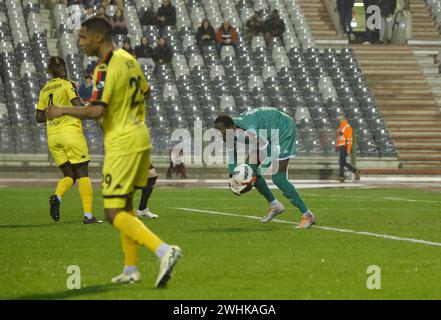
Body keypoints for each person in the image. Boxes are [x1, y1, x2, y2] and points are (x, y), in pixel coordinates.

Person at [47, 16, 181, 287]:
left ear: (98, 37)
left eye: (83, 37)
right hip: (140, 136)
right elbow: (147, 90)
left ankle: (164, 250)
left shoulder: (105, 67)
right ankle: (131, 268)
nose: (80, 42)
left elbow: (98, 109)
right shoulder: (129, 59)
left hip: (122, 143)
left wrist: (63, 110)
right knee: (127, 206)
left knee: (112, 212)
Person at [214, 107, 316, 229]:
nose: (220, 135)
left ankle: (308, 215)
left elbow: (268, 152)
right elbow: (232, 155)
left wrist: (254, 175)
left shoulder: (249, 131)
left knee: (278, 178)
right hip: (267, 134)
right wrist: (232, 177)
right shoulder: (231, 132)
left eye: (222, 132)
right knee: (250, 171)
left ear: (231, 128)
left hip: (283, 129)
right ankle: (275, 205)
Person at [36, 56, 97, 224]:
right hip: (70, 133)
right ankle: (88, 216)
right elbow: (78, 107)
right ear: (64, 69)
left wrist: (54, 111)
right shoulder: (67, 84)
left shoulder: (44, 90)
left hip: (53, 137)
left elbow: (39, 117)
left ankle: (57, 196)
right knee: (83, 173)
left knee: (70, 175)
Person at [335, 114, 360, 182]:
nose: (339, 120)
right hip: (341, 146)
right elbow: (339, 138)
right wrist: (337, 146)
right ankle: (355, 171)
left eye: (340, 119)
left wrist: (348, 149)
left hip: (344, 146)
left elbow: (349, 139)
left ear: (343, 119)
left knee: (341, 161)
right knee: (342, 162)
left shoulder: (347, 127)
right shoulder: (341, 127)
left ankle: (342, 176)